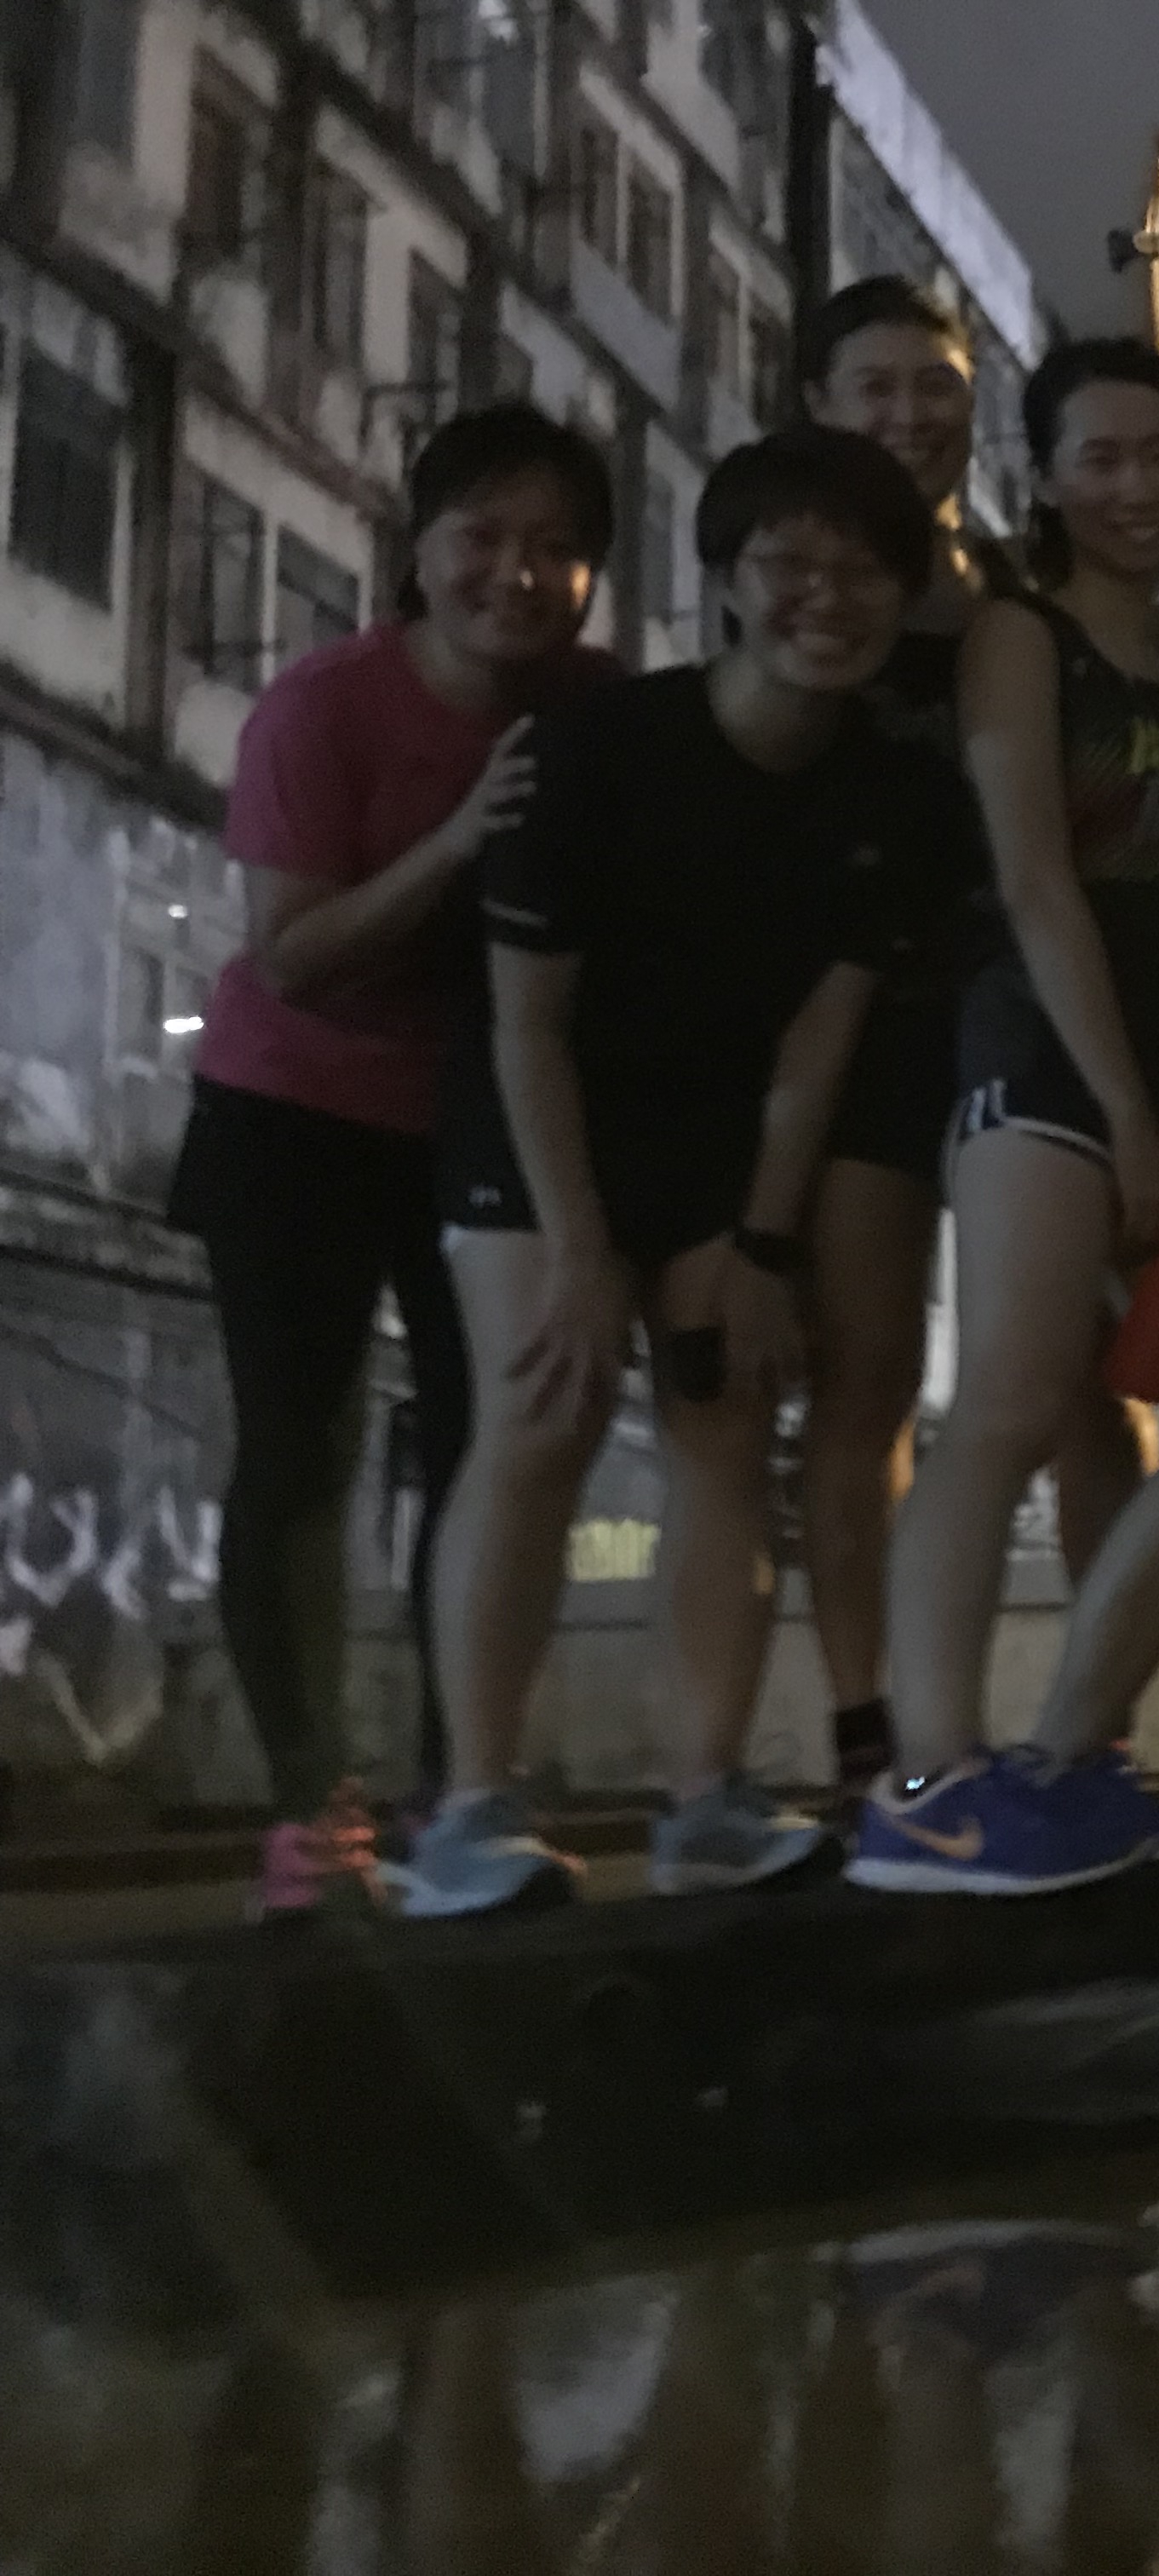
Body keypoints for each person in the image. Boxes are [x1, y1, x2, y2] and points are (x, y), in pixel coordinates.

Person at [410, 425, 948, 1916]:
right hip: (540, 1128)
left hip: (717, 1146)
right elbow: (526, 1027)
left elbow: (816, 1047)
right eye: (789, 562)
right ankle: (470, 1810)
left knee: (728, 1422)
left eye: (864, 570)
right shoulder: (593, 752)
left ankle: (702, 1799)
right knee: (542, 1416)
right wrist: (583, 1254)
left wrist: (765, 1250)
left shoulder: (886, 793)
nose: (826, 597)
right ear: (722, 579)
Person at [170, 405, 619, 1918]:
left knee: (496, 1447)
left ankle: (463, 1792)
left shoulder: (600, 709)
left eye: (558, 548)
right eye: (483, 537)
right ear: (417, 550)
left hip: (488, 1123)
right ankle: (310, 1815)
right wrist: (459, 838)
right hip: (290, 1112)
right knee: (301, 1452)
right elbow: (292, 958)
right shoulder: (324, 708)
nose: (518, 574)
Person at [854, 339, 1159, 1896]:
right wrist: (1121, 1111)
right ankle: (926, 1785)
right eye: (1100, 458)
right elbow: (1033, 879)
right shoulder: (1018, 639)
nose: (1135, 487)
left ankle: (1071, 1758)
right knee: (1010, 1406)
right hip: (1041, 1063)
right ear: (1048, 479)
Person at [791, 274, 1150, 1794]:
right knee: (866, 1377)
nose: (909, 415)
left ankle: (1094, 1733)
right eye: (874, 387)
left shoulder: (1023, 595)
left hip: (1028, 1014)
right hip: (858, 1027)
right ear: (819, 408)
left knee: (1087, 1385)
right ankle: (876, 1738)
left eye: (934, 386)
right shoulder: (799, 599)